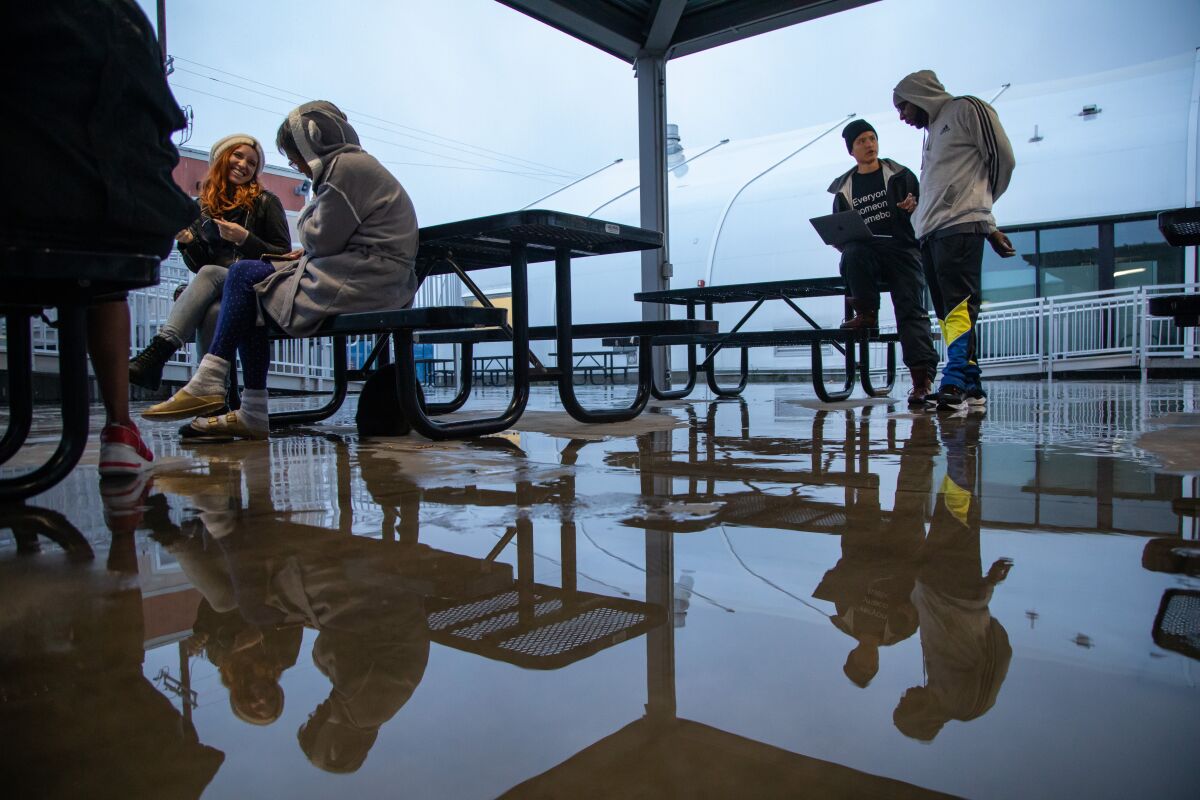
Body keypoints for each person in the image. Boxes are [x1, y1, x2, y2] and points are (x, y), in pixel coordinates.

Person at [143, 101, 420, 439]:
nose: (298, 166)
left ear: (310, 145)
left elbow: (320, 238)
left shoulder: (343, 169)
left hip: (365, 279)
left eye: (294, 157)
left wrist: (304, 218)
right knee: (242, 285)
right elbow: (333, 238)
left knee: (246, 282)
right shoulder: (353, 167)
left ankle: (222, 388)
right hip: (364, 273)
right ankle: (235, 400)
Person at [3, 0, 199, 476]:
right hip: (117, 215)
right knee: (114, 269)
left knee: (222, 278)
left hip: (33, 204)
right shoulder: (125, 17)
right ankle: (120, 424)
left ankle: (166, 360)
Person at [893, 69, 1017, 412]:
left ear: (919, 96)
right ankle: (973, 385)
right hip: (931, 230)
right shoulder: (931, 133)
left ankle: (956, 379)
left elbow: (1002, 159)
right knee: (949, 312)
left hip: (961, 226)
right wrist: (918, 212)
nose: (902, 117)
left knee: (960, 306)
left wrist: (982, 213)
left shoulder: (966, 109)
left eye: (903, 107)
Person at [131, 134, 291, 394]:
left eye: (252, 162)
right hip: (221, 290)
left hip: (258, 287)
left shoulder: (265, 201)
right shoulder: (203, 207)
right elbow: (199, 263)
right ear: (221, 158)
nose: (244, 165)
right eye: (238, 156)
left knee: (210, 275)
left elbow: (283, 255)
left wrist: (245, 238)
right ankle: (214, 399)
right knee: (213, 311)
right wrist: (186, 242)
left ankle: (158, 353)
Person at [893, 414, 1013, 741]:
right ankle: (960, 440)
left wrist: (986, 589)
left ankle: (961, 445)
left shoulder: (963, 702)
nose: (905, 694)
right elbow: (996, 655)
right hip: (949, 587)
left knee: (957, 512)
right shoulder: (958, 701)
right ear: (921, 716)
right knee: (956, 510)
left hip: (961, 594)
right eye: (905, 702)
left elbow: (999, 650)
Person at [827, 119, 940, 405]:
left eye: (872, 138)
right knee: (851, 255)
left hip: (901, 248)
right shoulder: (845, 188)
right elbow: (840, 230)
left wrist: (914, 208)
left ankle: (921, 380)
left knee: (910, 309)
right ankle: (867, 313)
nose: (869, 145)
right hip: (867, 252)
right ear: (851, 150)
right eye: (862, 141)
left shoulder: (901, 176)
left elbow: (928, 207)